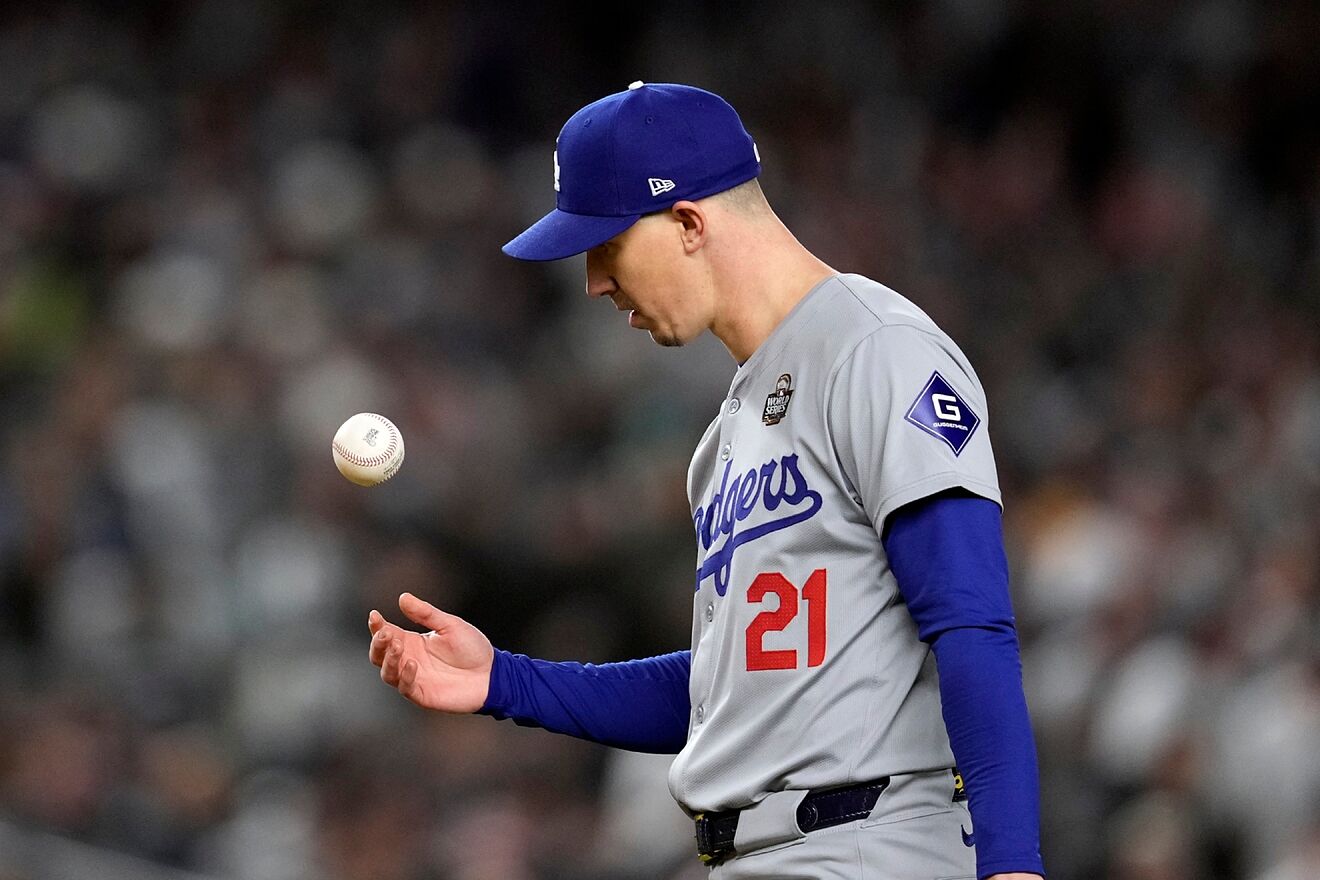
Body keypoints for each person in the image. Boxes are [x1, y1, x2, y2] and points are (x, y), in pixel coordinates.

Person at [367, 81, 1045, 880]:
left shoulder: (878, 350)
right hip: (761, 853)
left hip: (869, 843)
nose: (593, 282)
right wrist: (504, 680)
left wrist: (1012, 865)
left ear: (688, 221)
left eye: (607, 245)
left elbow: (970, 621)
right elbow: (729, 686)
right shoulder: (726, 434)